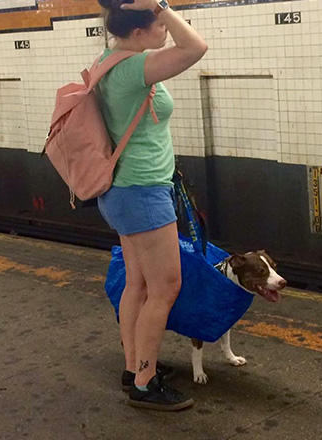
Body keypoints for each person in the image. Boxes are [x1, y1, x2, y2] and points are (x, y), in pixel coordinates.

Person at [96, 0, 207, 410]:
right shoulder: (131, 68)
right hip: (141, 192)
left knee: (138, 284)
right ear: (140, 32)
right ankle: (146, 382)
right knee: (165, 287)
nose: (165, 30)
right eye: (159, 25)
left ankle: (134, 367)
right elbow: (195, 47)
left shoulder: (110, 61)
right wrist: (163, 5)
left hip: (125, 189)